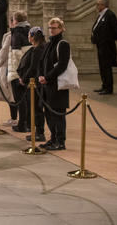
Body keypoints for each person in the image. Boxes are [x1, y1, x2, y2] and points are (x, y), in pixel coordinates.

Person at [38, 18, 70, 151]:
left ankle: (60, 142)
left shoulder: (63, 44)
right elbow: (42, 61)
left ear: (61, 29)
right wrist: (40, 76)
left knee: (58, 114)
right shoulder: (48, 44)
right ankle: (53, 139)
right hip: (46, 85)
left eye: (55, 28)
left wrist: (47, 77)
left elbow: (62, 65)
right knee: (48, 114)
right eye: (50, 28)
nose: (52, 30)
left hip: (57, 86)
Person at [17, 27, 47, 142]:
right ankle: (37, 132)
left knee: (37, 109)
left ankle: (40, 133)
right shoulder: (38, 47)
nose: (28, 37)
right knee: (35, 109)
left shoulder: (38, 50)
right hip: (35, 83)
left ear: (33, 37)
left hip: (35, 84)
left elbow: (33, 68)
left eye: (29, 35)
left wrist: (24, 79)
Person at [6, 11, 31, 133]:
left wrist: (20, 74)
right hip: (29, 72)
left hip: (18, 73)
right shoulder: (31, 31)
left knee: (20, 99)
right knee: (28, 99)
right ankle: (29, 124)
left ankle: (22, 125)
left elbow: (16, 55)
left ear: (16, 21)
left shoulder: (17, 33)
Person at [91, 0, 117, 95]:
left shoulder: (110, 15)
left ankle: (108, 88)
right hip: (101, 46)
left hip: (107, 47)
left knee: (107, 67)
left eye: (98, 4)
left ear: (104, 5)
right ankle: (104, 86)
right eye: (97, 4)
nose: (97, 6)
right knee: (102, 67)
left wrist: (108, 40)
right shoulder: (101, 15)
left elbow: (116, 31)